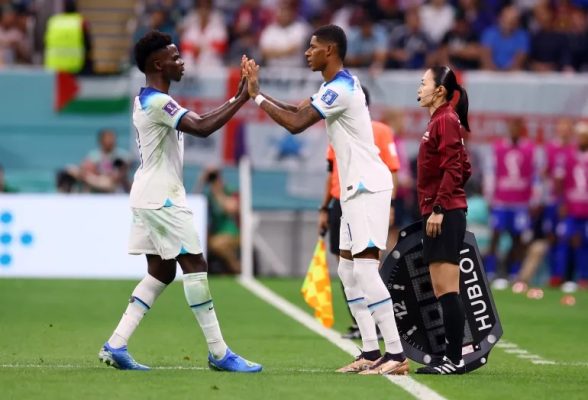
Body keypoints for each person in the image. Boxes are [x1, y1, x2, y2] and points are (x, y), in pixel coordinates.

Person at [242, 24, 407, 375]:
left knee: (365, 269)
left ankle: (396, 353)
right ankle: (370, 351)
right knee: (347, 270)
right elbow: (296, 108)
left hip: (368, 186)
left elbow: (296, 123)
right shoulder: (331, 87)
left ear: (329, 50)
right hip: (351, 190)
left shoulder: (342, 88)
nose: (307, 52)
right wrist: (257, 92)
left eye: (313, 46)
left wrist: (256, 98)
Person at [98, 31, 261, 373]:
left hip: (147, 195)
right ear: (158, 64)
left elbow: (198, 123)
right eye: (174, 57)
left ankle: (116, 344)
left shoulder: (147, 100)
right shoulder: (158, 102)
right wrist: (243, 99)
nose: (181, 62)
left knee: (161, 270)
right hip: (163, 200)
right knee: (195, 264)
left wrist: (237, 97)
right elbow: (201, 127)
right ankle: (219, 353)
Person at [317, 86, 400, 340]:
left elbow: (392, 168)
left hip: (367, 198)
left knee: (368, 265)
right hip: (341, 198)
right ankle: (362, 326)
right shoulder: (337, 128)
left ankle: (384, 327)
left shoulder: (380, 131)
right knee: (345, 268)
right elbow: (332, 172)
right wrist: (325, 207)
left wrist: (390, 204)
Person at [414, 65, 472, 375]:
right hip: (442, 210)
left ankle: (455, 359)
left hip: (444, 213)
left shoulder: (445, 120)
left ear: (439, 90)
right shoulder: (441, 120)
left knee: (448, 289)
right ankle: (449, 357)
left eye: (424, 83)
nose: (419, 87)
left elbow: (454, 168)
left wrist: (439, 207)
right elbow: (464, 167)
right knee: (441, 288)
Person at [197, 168, 241, 275]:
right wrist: (201, 181)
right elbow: (195, 202)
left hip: (232, 232)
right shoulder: (209, 195)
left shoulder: (229, 190)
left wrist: (218, 192)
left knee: (217, 244)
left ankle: (237, 268)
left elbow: (231, 208)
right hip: (216, 233)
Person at [44, 0, 92, 74]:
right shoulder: (80, 22)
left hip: (55, 68)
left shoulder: (53, 22)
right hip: (76, 67)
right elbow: (88, 45)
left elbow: (45, 42)